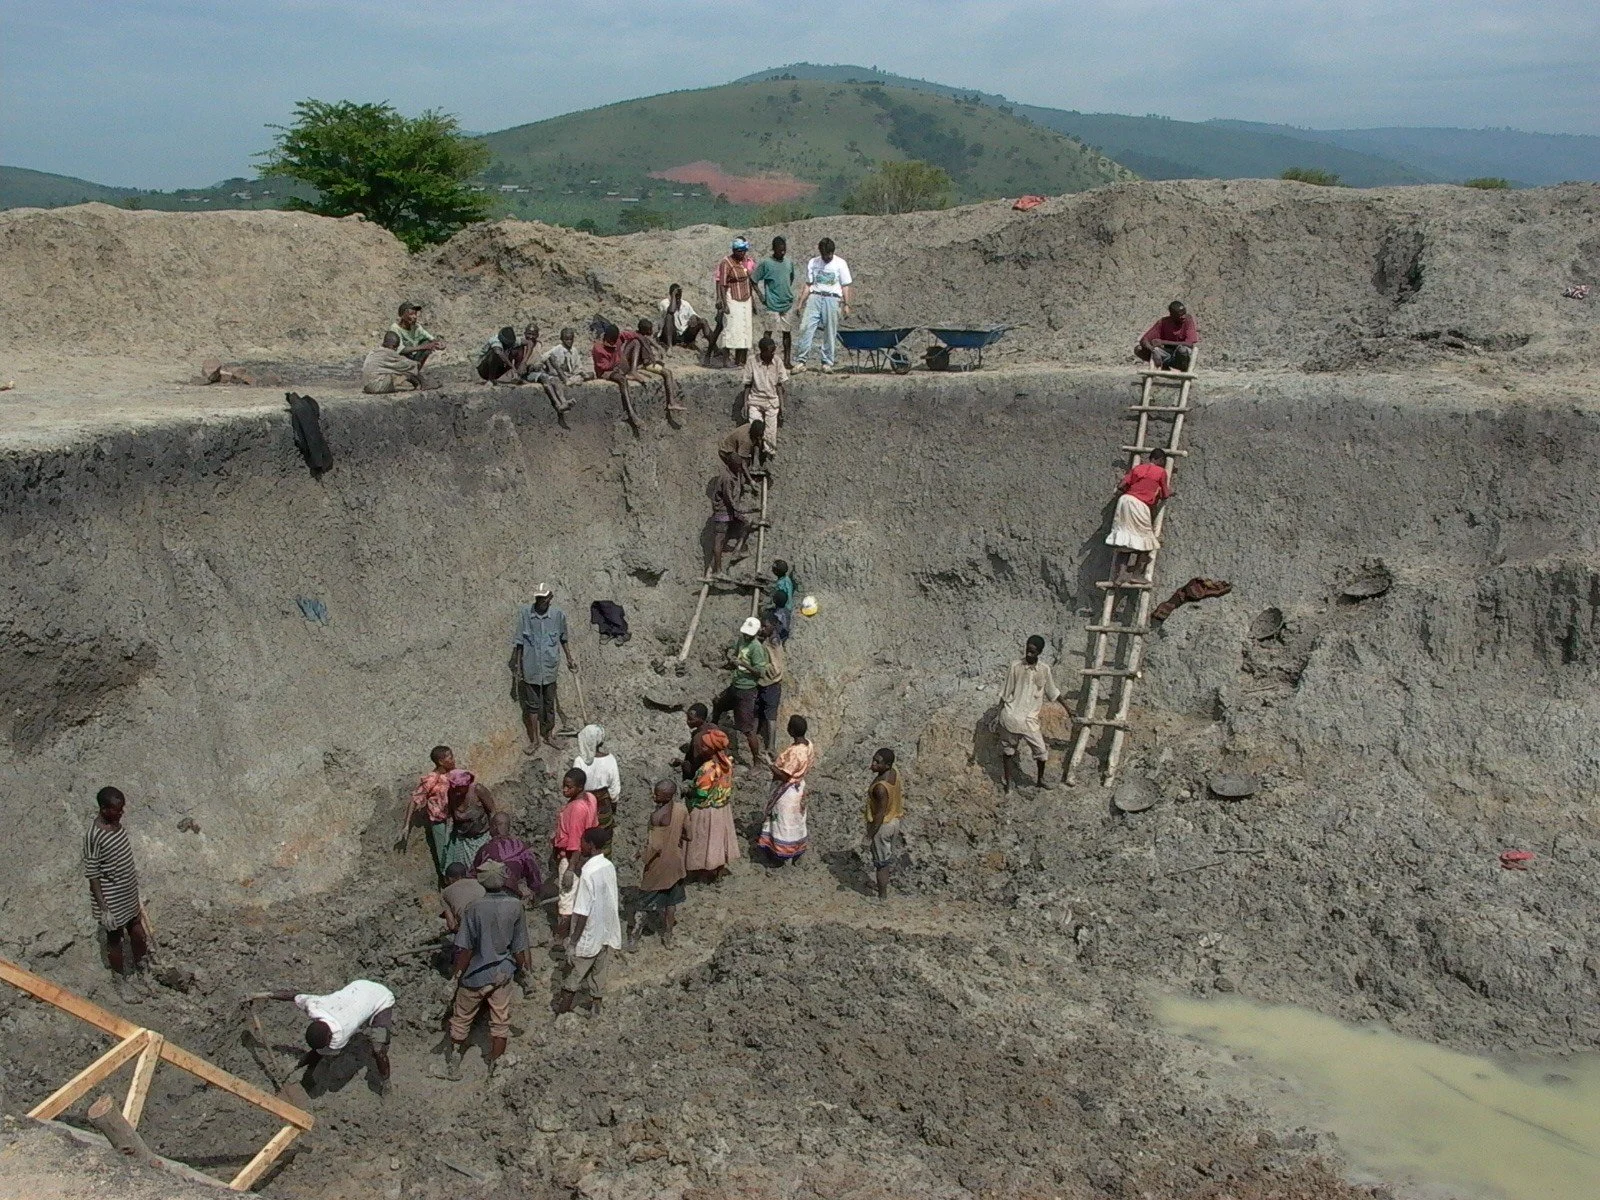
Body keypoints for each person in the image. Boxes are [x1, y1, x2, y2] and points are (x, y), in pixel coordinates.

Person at [438, 861, 531, 1079]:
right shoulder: (515, 905)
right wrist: (525, 973)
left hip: (475, 975)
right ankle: (495, 1065)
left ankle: (454, 1063)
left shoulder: (473, 908)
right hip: (501, 974)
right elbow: (519, 947)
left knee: (461, 1019)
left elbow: (466, 948)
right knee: (500, 1022)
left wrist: (456, 976)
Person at [246, 979, 395, 1093]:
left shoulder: (340, 1035)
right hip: (358, 987)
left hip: (380, 998)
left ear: (330, 1036)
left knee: (377, 1049)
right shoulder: (315, 1006)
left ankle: (386, 1082)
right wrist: (261, 995)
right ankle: (299, 1066)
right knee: (322, 1052)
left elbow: (323, 1053)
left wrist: (300, 1064)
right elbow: (293, 996)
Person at [83, 786, 149, 984]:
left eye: (122, 809)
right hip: (111, 900)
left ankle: (142, 966)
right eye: (117, 810)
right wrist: (104, 910)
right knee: (116, 939)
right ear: (104, 809)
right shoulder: (94, 836)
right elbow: (93, 874)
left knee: (137, 932)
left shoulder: (117, 825)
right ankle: (122, 980)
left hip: (128, 893)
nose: (121, 813)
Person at [555, 827, 622, 1015]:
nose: (580, 845)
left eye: (583, 841)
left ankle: (561, 1012)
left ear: (591, 845)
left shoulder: (588, 873)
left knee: (573, 976)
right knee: (599, 972)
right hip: (605, 931)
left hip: (589, 933)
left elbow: (583, 912)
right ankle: (596, 1009)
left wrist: (573, 941)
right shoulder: (608, 866)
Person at [511, 584, 577, 752]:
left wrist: (570, 658)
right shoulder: (526, 614)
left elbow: (563, 639)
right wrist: (517, 667)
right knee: (532, 705)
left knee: (549, 703)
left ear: (550, 598)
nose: (540, 601)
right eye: (538, 598)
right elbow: (519, 642)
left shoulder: (558, 616)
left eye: (543, 598)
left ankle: (549, 736)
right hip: (531, 668)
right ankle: (535, 741)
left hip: (549, 668)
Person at [998, 635, 1063, 793]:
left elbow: (1053, 692)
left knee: (1041, 752)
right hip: (1012, 716)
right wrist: (998, 714)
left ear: (1039, 652)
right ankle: (1008, 783)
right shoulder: (1015, 666)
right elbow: (1005, 692)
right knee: (1008, 751)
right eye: (1027, 651)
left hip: (1029, 720)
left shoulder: (1044, 670)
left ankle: (1040, 780)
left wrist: (1069, 709)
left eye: (1033, 652)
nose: (1029, 655)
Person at [1107, 448, 1172, 583]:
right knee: (1147, 540)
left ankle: (1121, 575)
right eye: (1162, 461)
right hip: (1139, 504)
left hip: (1125, 501)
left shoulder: (1138, 469)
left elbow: (1121, 485)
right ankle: (1137, 574)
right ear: (1159, 460)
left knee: (1125, 539)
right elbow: (1165, 494)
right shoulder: (1161, 472)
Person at [758, 715, 815, 864]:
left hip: (788, 792)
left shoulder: (796, 752)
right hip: (799, 788)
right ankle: (796, 850)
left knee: (783, 823)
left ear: (791, 730)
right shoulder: (808, 744)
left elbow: (784, 775)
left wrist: (769, 764)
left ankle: (780, 854)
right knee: (796, 821)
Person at [683, 727, 738, 879]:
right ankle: (719, 872)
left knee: (703, 842)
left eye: (704, 746)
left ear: (712, 749)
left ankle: (702, 873)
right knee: (719, 841)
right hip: (722, 808)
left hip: (706, 810)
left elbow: (701, 793)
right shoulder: (727, 762)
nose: (701, 747)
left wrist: (688, 791)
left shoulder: (708, 768)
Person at [550, 768, 599, 938]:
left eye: (569, 787)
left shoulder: (577, 808)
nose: (564, 790)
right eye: (564, 785)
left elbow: (576, 841)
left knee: (566, 900)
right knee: (580, 897)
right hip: (587, 858)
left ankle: (561, 939)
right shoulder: (590, 798)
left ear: (579, 787)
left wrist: (570, 869)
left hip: (571, 858)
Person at [793, 238, 853, 373]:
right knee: (806, 327)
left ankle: (827, 362)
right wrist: (800, 303)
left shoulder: (840, 263)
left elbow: (845, 286)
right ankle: (801, 361)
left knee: (830, 330)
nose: (828, 257)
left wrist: (846, 304)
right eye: (825, 254)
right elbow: (809, 284)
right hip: (816, 296)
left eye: (830, 254)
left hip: (832, 299)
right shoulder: (813, 263)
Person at [721, 616, 770, 764]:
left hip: (747, 690)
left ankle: (756, 760)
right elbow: (736, 655)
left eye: (748, 634)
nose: (745, 635)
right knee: (718, 703)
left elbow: (760, 672)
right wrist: (732, 661)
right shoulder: (741, 641)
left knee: (747, 730)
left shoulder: (757, 648)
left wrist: (743, 664)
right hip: (736, 684)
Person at [409, 745, 457, 884]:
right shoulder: (432, 779)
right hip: (439, 822)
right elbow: (415, 799)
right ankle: (448, 882)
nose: (453, 760)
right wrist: (406, 825)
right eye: (450, 757)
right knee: (444, 853)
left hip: (455, 820)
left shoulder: (454, 775)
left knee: (456, 851)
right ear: (441, 761)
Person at [470, 811, 543, 901]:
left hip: (488, 895)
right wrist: (535, 892)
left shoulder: (485, 850)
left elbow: (473, 874)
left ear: (494, 827)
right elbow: (533, 872)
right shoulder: (521, 847)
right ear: (508, 827)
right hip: (513, 894)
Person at [752, 236, 799, 368]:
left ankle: (787, 361)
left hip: (787, 303)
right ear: (774, 250)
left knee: (787, 332)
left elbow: (790, 278)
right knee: (768, 332)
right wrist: (761, 297)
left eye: (784, 250)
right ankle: (765, 359)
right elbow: (753, 280)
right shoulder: (766, 264)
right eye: (780, 250)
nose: (782, 253)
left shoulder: (789, 263)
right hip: (772, 304)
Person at [710, 455, 760, 578]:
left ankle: (737, 550)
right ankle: (718, 571)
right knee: (719, 539)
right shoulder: (727, 479)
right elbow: (729, 501)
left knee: (747, 522)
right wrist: (748, 510)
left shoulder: (734, 473)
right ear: (733, 466)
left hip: (729, 510)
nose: (741, 468)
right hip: (723, 511)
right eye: (739, 466)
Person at [864, 748, 905, 900]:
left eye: (877, 762)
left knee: (881, 864)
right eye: (873, 760)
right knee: (885, 859)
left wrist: (869, 836)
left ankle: (882, 896)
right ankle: (883, 889)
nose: (873, 764)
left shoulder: (880, 788)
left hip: (882, 826)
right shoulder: (894, 773)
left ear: (886, 765)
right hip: (894, 821)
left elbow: (879, 815)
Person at [740, 336, 789, 457]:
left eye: (774, 350)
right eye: (770, 351)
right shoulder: (752, 361)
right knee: (755, 428)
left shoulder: (777, 362)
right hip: (755, 401)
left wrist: (782, 406)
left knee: (771, 432)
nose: (773, 353)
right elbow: (747, 385)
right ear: (763, 351)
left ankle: (767, 457)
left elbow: (779, 385)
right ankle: (753, 454)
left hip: (772, 401)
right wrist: (745, 404)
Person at [714, 238, 757, 367]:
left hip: (745, 299)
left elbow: (750, 282)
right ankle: (726, 361)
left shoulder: (746, 262)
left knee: (744, 329)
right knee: (731, 329)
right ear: (734, 250)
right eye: (739, 251)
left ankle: (740, 360)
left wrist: (753, 301)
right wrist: (724, 303)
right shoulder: (726, 263)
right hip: (732, 298)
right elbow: (722, 283)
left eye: (744, 251)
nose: (742, 254)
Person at [625, 319, 684, 414]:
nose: (652, 331)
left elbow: (649, 340)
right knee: (667, 373)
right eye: (650, 329)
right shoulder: (638, 339)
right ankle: (671, 402)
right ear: (646, 330)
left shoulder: (641, 336)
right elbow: (646, 360)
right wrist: (652, 359)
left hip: (645, 363)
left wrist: (658, 347)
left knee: (662, 365)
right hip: (646, 364)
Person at [591, 322, 644, 425]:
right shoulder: (598, 348)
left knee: (636, 342)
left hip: (618, 366)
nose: (613, 343)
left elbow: (633, 335)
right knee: (622, 380)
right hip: (605, 372)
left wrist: (643, 340)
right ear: (605, 337)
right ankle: (631, 413)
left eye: (615, 341)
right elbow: (603, 366)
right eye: (611, 341)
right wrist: (616, 363)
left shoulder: (618, 339)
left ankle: (633, 371)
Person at [444, 769, 495, 869]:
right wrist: (447, 838)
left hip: (481, 838)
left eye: (460, 788)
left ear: (467, 784)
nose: (457, 791)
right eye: (455, 788)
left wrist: (493, 835)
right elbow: (450, 816)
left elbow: (492, 811)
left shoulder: (478, 790)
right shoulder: (452, 793)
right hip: (462, 841)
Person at [574, 724, 622, 825]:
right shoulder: (610, 759)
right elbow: (615, 787)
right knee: (602, 834)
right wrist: (613, 804)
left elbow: (575, 786)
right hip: (603, 804)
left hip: (584, 804)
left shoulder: (579, 761)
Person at [531, 327, 584, 415]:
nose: (569, 341)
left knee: (588, 375)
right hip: (559, 373)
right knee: (553, 372)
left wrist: (579, 372)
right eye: (566, 339)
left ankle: (564, 402)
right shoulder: (558, 349)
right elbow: (545, 356)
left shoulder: (574, 351)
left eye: (571, 339)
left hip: (570, 373)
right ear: (562, 339)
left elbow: (578, 366)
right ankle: (561, 401)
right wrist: (552, 367)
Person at [1136, 300, 1198, 372]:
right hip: (1167, 354)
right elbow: (1144, 340)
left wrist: (1163, 342)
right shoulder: (1163, 322)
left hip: (1181, 357)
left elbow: (1189, 344)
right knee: (1139, 349)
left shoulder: (1188, 320)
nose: (1183, 317)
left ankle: (1184, 370)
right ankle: (1164, 367)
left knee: (1183, 349)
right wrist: (1153, 350)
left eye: (1184, 313)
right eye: (1180, 315)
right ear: (1172, 315)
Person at [755, 616, 785, 756]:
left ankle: (771, 746)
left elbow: (775, 667)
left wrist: (762, 666)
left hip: (771, 684)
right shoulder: (772, 639)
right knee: (760, 711)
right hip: (766, 683)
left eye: (765, 626)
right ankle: (757, 738)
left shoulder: (773, 642)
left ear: (772, 626)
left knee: (770, 716)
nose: (762, 629)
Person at [657, 284, 712, 356]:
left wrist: (694, 317)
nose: (678, 297)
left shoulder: (685, 304)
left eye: (679, 295)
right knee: (669, 317)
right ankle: (669, 347)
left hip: (684, 335)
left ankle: (714, 347)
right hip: (671, 334)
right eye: (676, 295)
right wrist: (673, 296)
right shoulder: (665, 303)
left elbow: (696, 316)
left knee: (703, 321)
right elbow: (671, 311)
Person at [439, 862, 485, 934]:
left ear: (449, 879)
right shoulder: (479, 882)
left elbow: (451, 925)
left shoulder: (445, 893)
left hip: (472, 931)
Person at [675, 703, 714, 782]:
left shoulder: (698, 738)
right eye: (687, 718)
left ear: (702, 719)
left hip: (705, 774)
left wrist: (683, 763)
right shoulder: (713, 727)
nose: (688, 722)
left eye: (691, 719)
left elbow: (695, 766)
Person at [766, 560, 797, 643]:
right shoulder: (787, 579)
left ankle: (781, 638)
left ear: (776, 571)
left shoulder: (781, 584)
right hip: (788, 604)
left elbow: (781, 597)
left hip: (784, 607)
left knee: (781, 621)